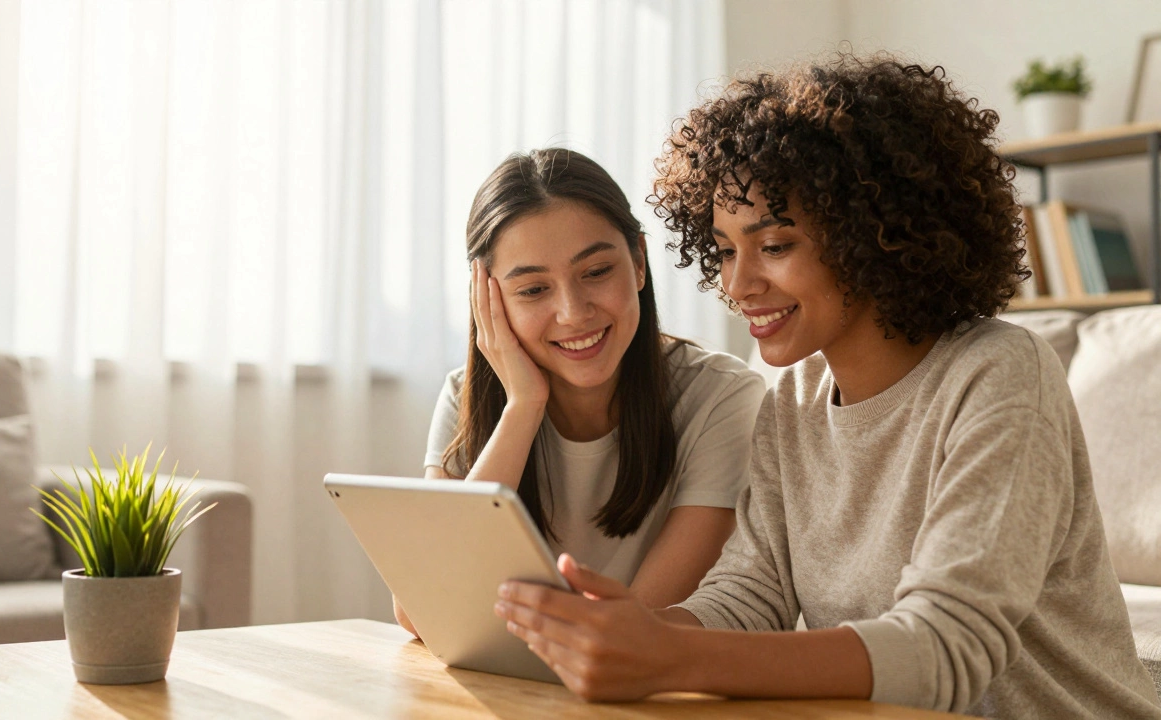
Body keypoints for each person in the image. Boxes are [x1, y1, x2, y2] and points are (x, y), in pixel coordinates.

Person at [491, 56, 1161, 718]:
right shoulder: (793, 398)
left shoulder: (998, 373)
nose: (737, 284)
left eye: (774, 246)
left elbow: (946, 647)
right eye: (725, 250)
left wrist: (671, 657)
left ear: (876, 234)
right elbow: (752, 595)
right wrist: (646, 634)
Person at [395, 148, 766, 637]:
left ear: (637, 261)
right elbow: (420, 611)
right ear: (488, 300)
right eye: (532, 290)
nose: (573, 312)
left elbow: (635, 632)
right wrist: (523, 409)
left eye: (595, 273)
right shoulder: (466, 396)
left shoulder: (722, 397)